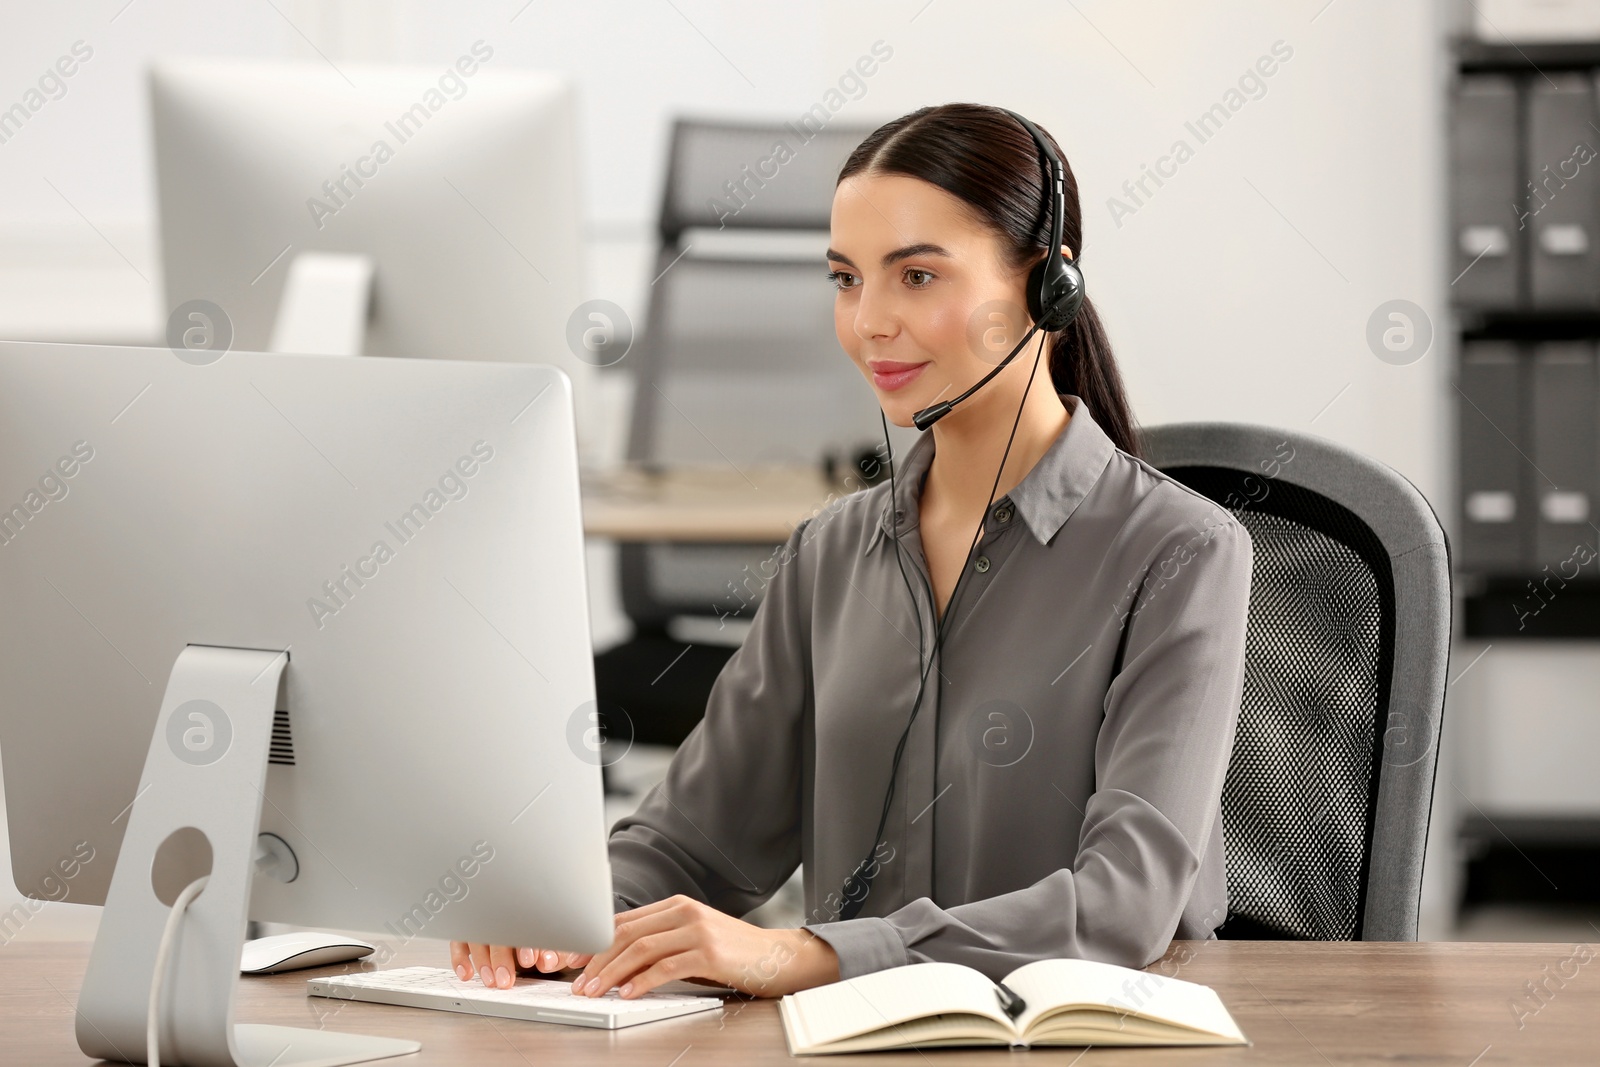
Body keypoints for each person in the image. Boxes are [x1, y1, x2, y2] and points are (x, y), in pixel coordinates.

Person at [452, 102, 1254, 999]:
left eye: (916, 276)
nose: (869, 320)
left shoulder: (1180, 552)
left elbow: (1123, 905)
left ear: (1047, 287)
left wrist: (807, 954)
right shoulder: (831, 552)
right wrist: (557, 914)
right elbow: (697, 840)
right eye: (845, 278)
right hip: (850, 1041)